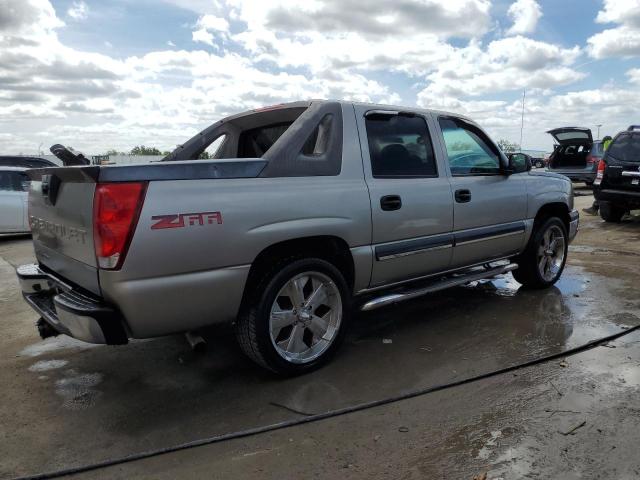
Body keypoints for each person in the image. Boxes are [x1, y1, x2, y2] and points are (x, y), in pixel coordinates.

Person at [583, 135, 613, 215]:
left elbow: (605, 162)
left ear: (607, 142)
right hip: (608, 174)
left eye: (604, 143)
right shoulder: (613, 150)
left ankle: (595, 208)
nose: (603, 145)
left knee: (601, 191)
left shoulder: (608, 150)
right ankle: (595, 208)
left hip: (605, 175)